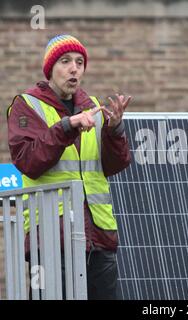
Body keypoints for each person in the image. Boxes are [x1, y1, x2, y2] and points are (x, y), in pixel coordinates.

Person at [7, 34, 132, 299]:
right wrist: (67, 126)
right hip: (51, 234)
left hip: (98, 234)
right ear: (50, 69)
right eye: (65, 61)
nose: (74, 68)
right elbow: (28, 160)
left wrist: (115, 131)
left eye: (79, 62)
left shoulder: (94, 107)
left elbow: (114, 165)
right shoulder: (26, 105)